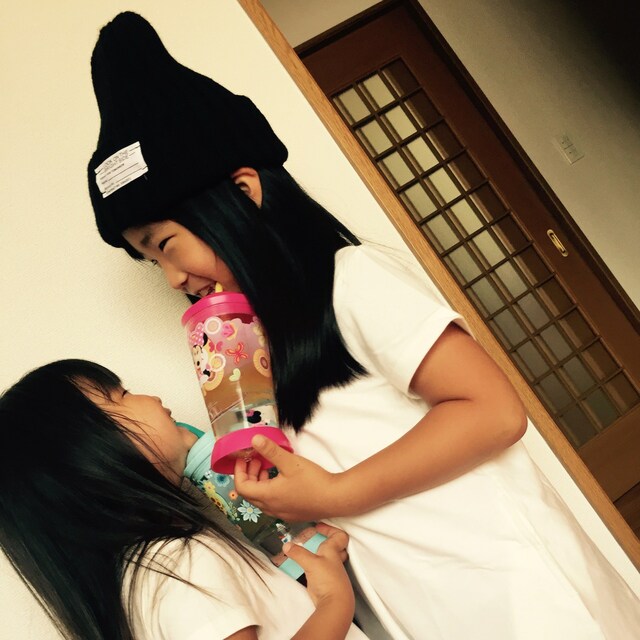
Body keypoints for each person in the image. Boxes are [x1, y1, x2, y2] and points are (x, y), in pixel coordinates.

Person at [86, 12, 640, 640]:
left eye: (165, 244)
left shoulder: (352, 279)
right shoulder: (259, 352)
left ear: (243, 193)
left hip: (525, 600)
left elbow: (495, 412)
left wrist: (332, 494)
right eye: (150, 260)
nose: (170, 278)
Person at [0, 359, 367, 640]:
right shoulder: (179, 566)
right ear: (89, 462)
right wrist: (333, 598)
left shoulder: (148, 576)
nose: (153, 398)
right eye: (122, 396)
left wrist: (286, 582)